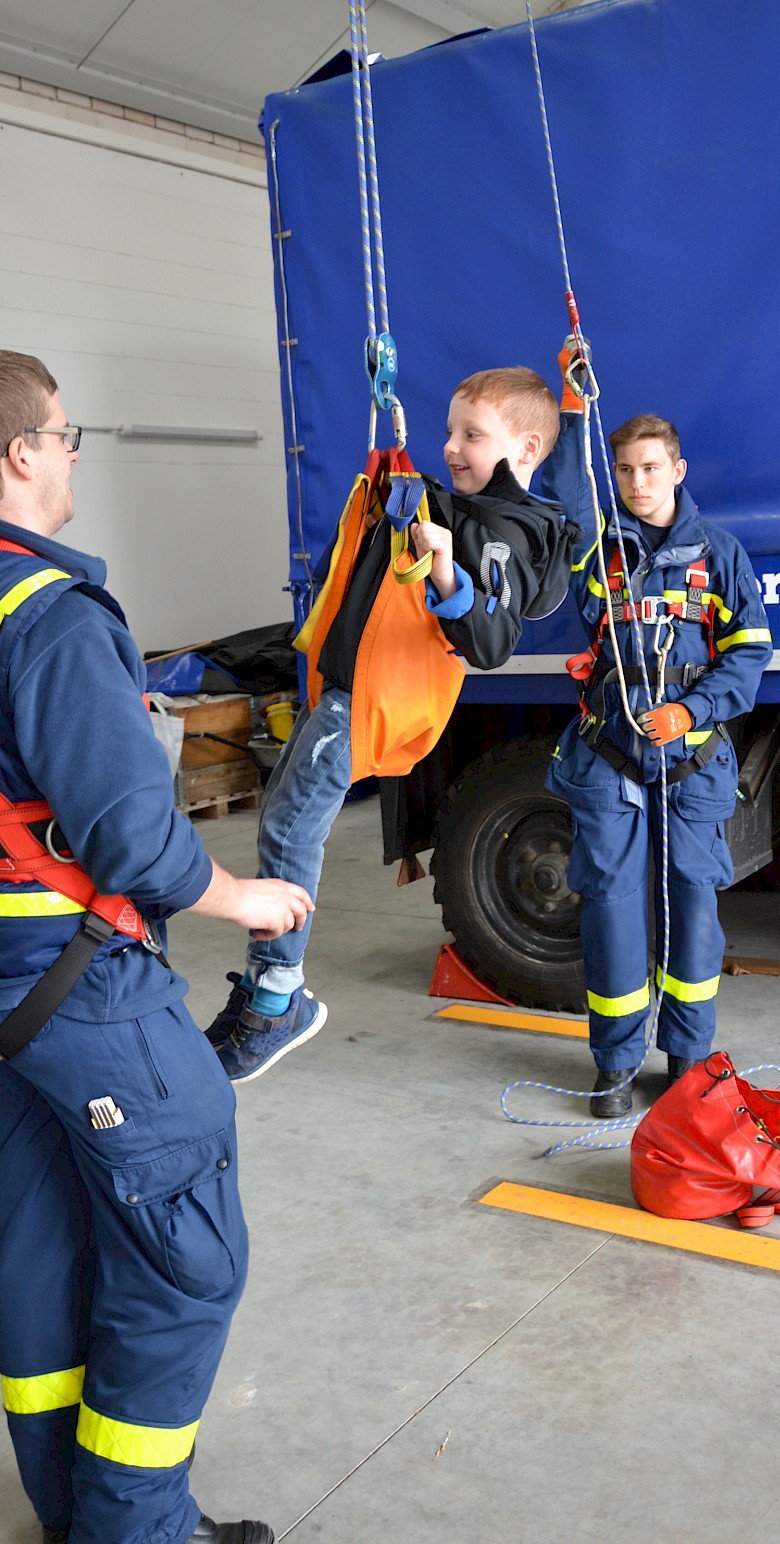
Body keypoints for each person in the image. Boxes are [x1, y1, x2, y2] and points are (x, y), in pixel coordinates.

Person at [0, 347, 312, 1544]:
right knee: (184, 1264)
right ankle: (134, 1529)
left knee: (44, 1239)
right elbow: (133, 840)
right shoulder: (50, 618)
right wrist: (242, 900)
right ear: (20, 456)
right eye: (64, 436)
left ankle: (68, 1506)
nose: (70, 453)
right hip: (84, 993)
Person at [207, 366, 578, 1082]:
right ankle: (265, 984)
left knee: (289, 830)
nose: (452, 447)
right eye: (450, 432)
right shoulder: (464, 509)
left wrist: (443, 568)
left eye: (473, 435)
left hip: (371, 697)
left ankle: (279, 991)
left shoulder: (502, 530)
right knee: (281, 822)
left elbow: (492, 640)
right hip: (351, 687)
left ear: (526, 449)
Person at [543, 379, 772, 1118]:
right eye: (625, 470)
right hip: (609, 760)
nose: (637, 482)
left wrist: (692, 710)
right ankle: (613, 1067)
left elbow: (749, 657)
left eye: (650, 467)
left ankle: (687, 1063)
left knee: (693, 910)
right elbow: (564, 489)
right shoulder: (598, 552)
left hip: (694, 761)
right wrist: (574, 406)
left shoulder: (722, 557)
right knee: (609, 909)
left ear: (678, 469)